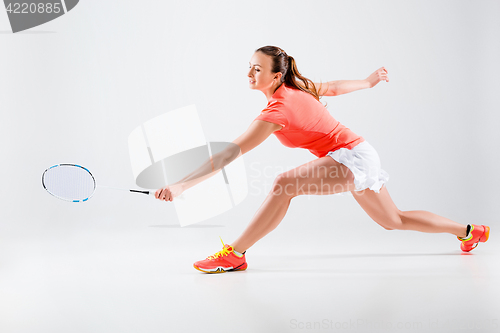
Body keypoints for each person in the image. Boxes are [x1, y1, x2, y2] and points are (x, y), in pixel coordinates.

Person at [155, 45, 490, 273]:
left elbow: (230, 152)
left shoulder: (279, 109)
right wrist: (368, 82)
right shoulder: (295, 88)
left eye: (257, 69)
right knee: (394, 220)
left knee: (283, 184)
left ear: (275, 77)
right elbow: (331, 87)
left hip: (351, 157)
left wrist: (182, 185)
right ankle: (470, 231)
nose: (249, 74)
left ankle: (235, 254)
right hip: (357, 153)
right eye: (249, 67)